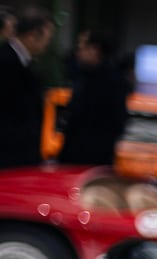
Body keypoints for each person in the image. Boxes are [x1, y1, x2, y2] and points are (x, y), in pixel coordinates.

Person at [58, 30, 130, 166]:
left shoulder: (111, 81)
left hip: (91, 159)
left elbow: (116, 121)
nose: (78, 52)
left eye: (81, 48)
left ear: (95, 49)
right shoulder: (83, 76)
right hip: (80, 156)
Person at [0, 5, 55, 169]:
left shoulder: (22, 63)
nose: (47, 44)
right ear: (32, 36)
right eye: (46, 37)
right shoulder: (6, 62)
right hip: (9, 158)